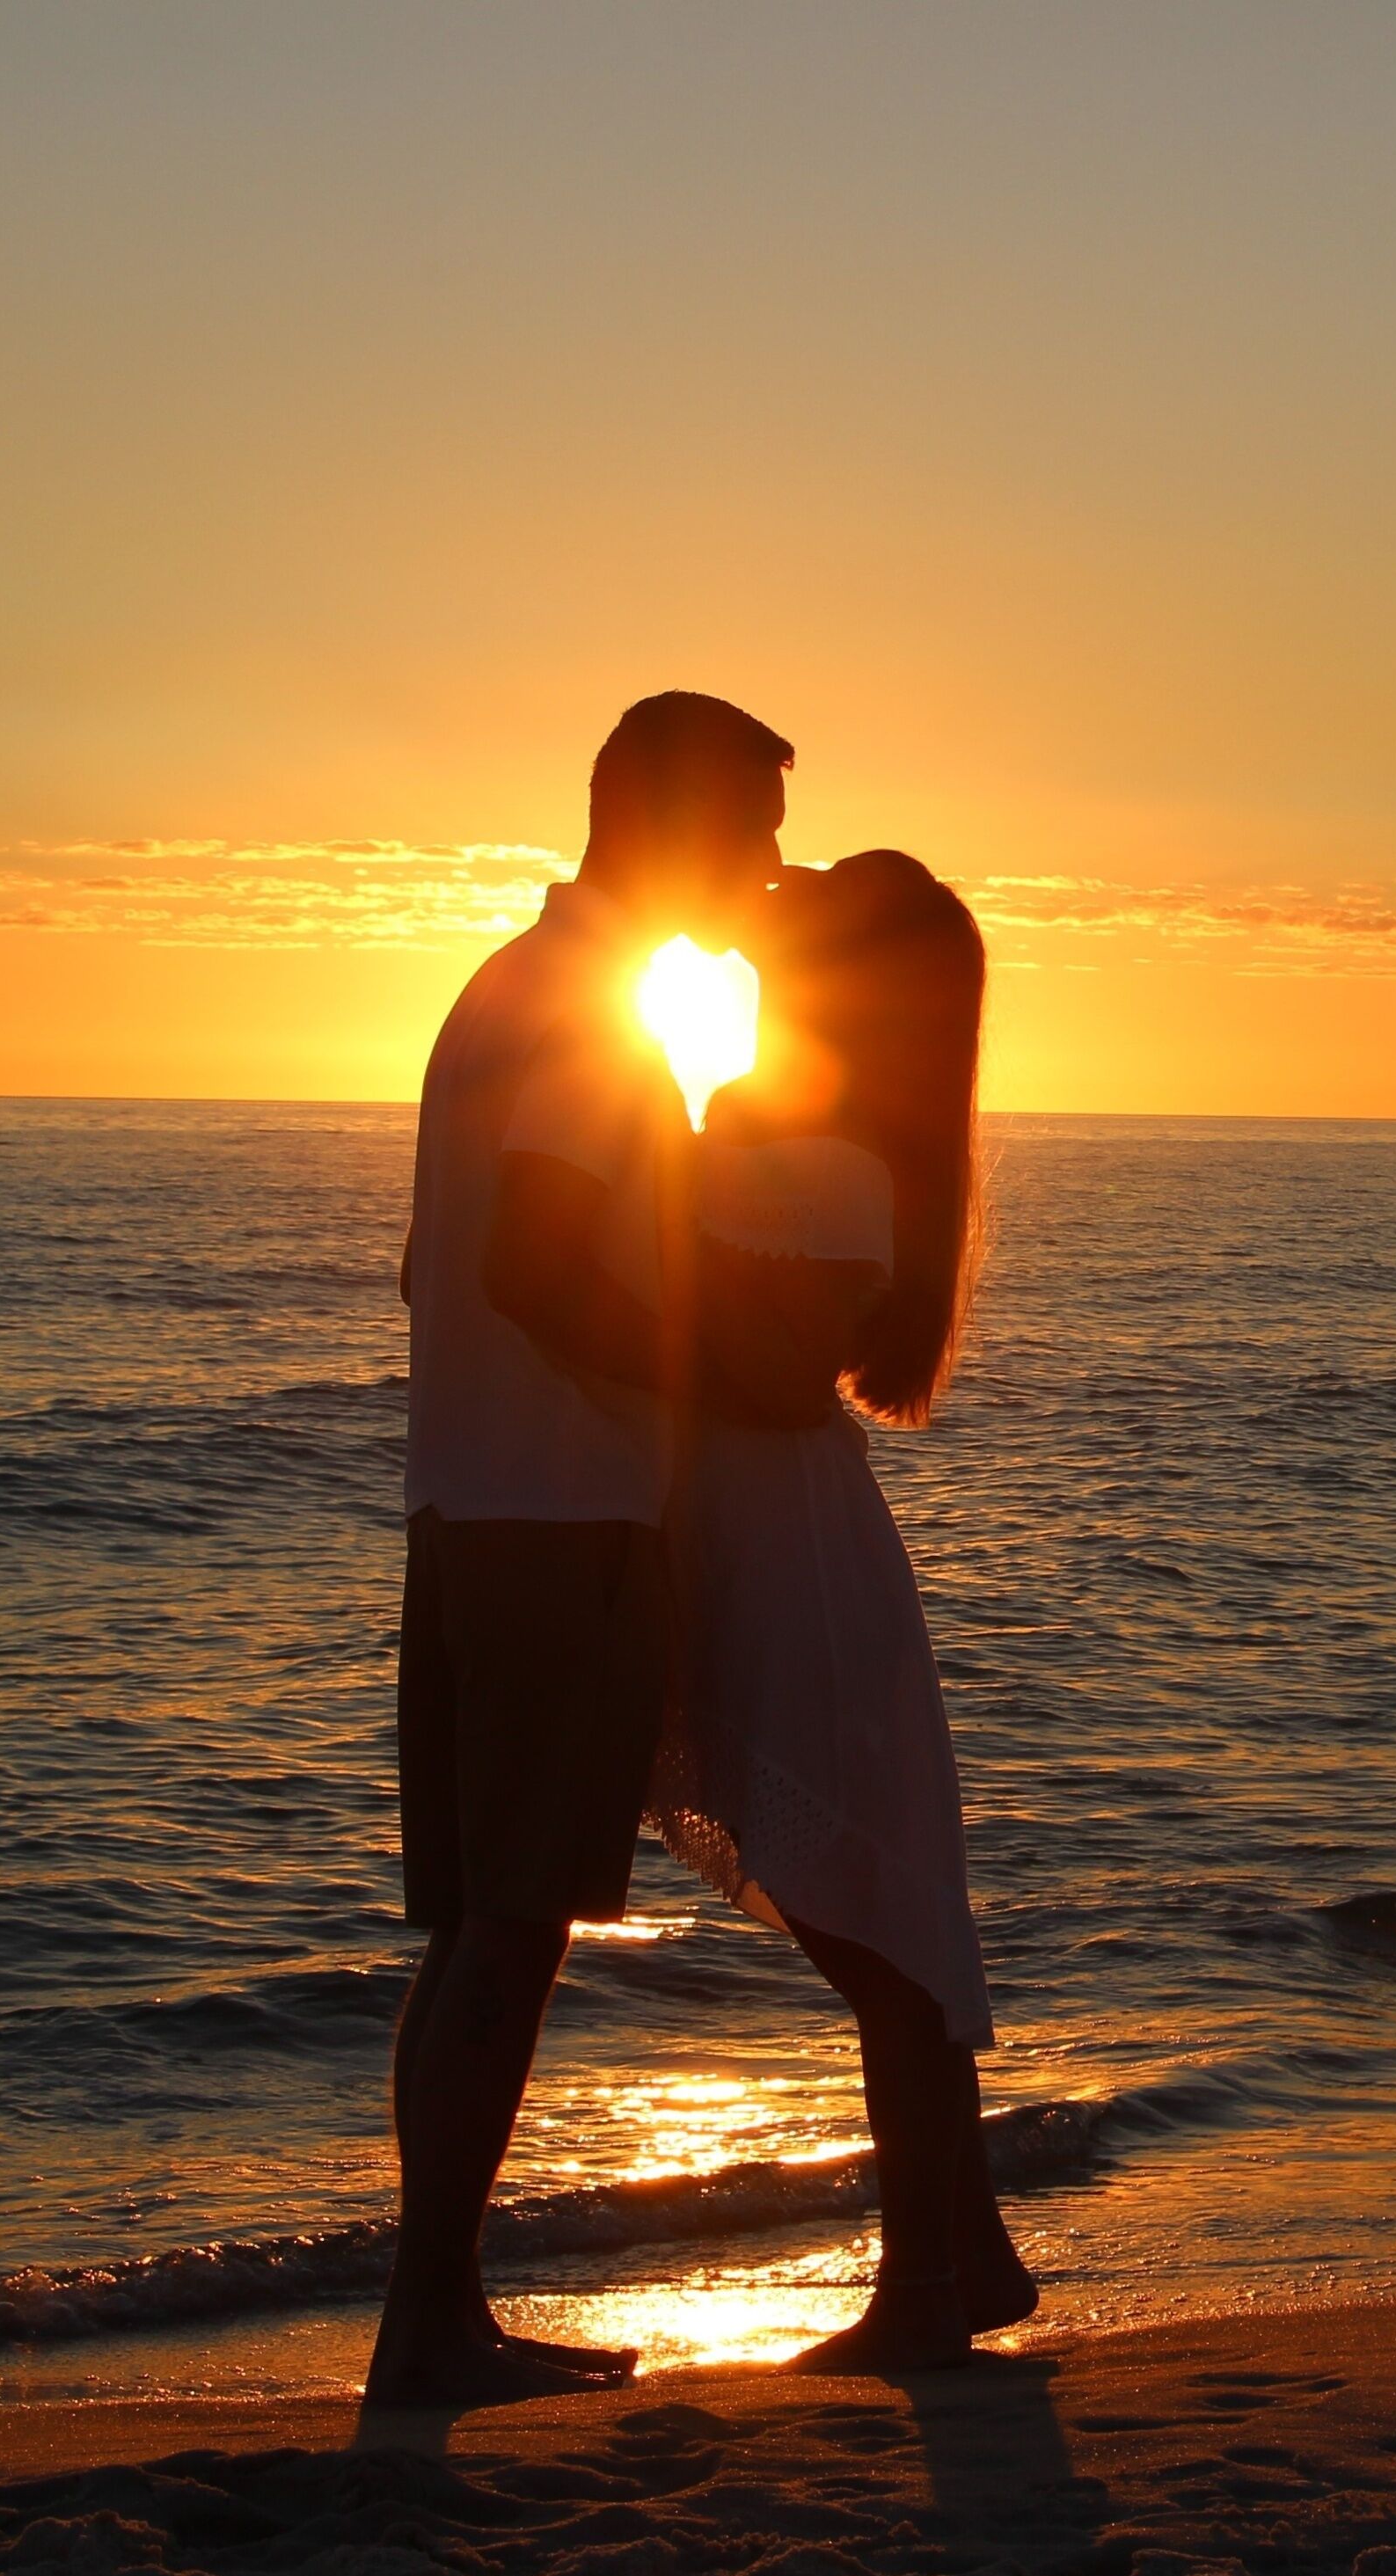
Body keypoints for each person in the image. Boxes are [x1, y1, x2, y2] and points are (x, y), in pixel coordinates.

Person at [374, 691, 796, 2410]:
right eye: (754, 832)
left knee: (476, 1925)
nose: (768, 871)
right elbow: (533, 1267)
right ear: (675, 821)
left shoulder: (497, 995)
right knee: (510, 1932)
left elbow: (428, 1270)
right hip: (556, 1519)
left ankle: (433, 2304)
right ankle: (430, 2317)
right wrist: (705, 1374)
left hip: (467, 1508)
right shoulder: (591, 1020)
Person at [649, 848, 1033, 2374]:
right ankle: (968, 2251)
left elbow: (752, 1366)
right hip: (765, 1533)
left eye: (816, 889)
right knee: (876, 1912)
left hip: (785, 1545)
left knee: (872, 1921)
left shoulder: (824, 1147)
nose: (781, 884)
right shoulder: (793, 1120)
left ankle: (928, 2280)